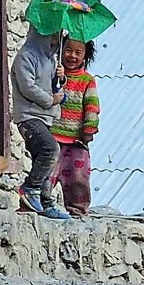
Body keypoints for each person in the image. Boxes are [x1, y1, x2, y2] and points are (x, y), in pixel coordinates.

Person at [11, 27, 71, 220]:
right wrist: (50, 100)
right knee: (50, 149)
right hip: (29, 116)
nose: (56, 41)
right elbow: (28, 87)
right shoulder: (26, 57)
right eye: (53, 35)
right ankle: (30, 187)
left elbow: (54, 86)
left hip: (45, 117)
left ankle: (43, 201)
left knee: (45, 160)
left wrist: (60, 78)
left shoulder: (51, 60)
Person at [50, 38, 99, 216]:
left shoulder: (87, 80)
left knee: (78, 178)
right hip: (53, 137)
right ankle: (41, 206)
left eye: (78, 53)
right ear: (60, 51)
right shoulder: (53, 76)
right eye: (68, 50)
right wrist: (58, 77)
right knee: (47, 175)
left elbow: (92, 107)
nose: (72, 56)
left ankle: (77, 210)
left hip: (76, 141)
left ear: (86, 56)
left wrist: (88, 131)